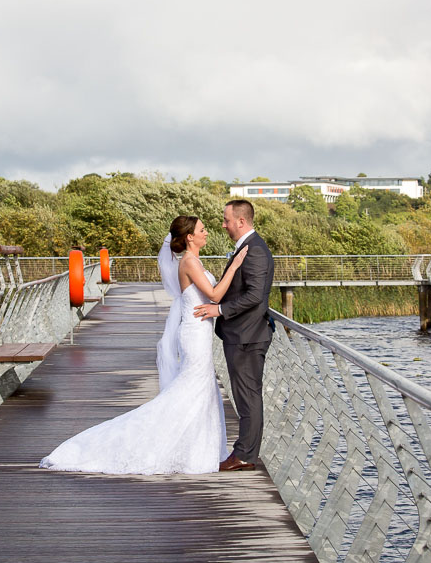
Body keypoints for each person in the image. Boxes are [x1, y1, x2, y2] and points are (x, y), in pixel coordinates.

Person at [39, 215, 247, 474]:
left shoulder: (194, 260)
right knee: (192, 387)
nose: (207, 233)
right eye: (202, 230)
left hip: (200, 330)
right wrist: (236, 265)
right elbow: (215, 295)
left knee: (202, 389)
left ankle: (196, 450)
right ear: (190, 237)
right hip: (194, 334)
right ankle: (173, 445)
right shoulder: (190, 262)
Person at [193, 200, 275, 472]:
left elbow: (255, 296)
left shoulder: (256, 251)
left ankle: (244, 455)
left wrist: (220, 309)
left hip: (247, 335)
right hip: (242, 333)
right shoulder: (248, 248)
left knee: (248, 396)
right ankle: (245, 452)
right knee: (245, 396)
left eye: (227, 220)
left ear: (241, 221)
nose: (224, 224)